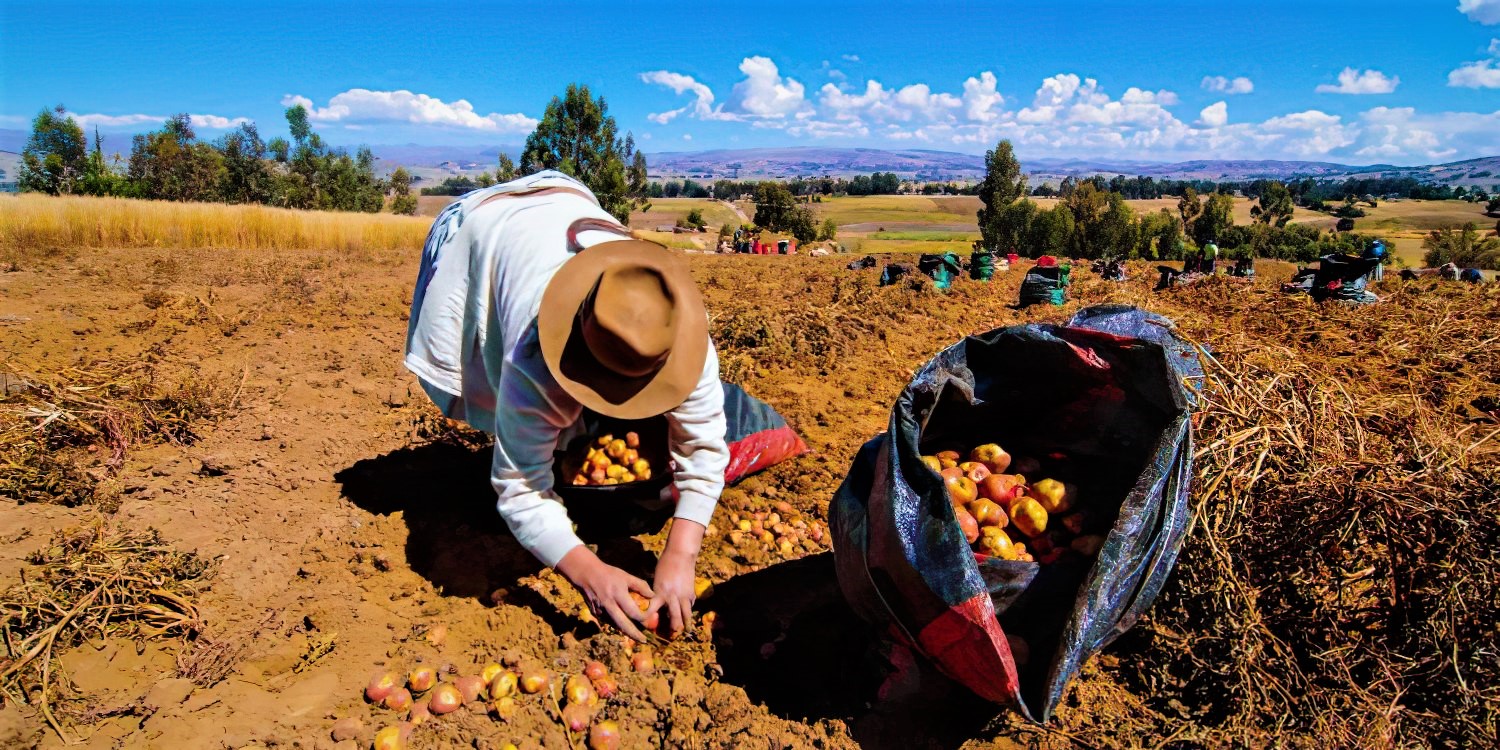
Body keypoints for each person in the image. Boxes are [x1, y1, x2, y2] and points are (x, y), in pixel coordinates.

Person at [404, 171, 727, 641]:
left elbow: (703, 448)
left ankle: (550, 435)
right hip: (486, 226)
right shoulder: (531, 356)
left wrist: (681, 553)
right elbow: (521, 488)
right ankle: (532, 438)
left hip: (566, 199)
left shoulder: (679, 339)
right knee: (513, 417)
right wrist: (588, 573)